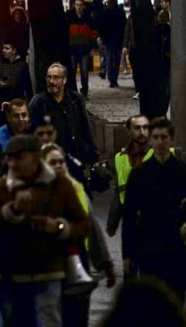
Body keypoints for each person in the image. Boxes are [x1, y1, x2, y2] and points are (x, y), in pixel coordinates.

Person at [0, 134, 89, 327]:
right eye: (9, 158)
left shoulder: (60, 185)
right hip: (9, 278)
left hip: (47, 276)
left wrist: (58, 227)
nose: (12, 163)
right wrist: (11, 211)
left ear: (35, 157)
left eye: (19, 157)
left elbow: (82, 224)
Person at [41, 144, 116, 327]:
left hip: (77, 269)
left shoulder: (77, 191)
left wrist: (104, 263)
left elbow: (93, 229)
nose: (58, 166)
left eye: (61, 162)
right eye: (53, 162)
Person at [122, 117, 186, 298]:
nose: (160, 142)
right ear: (151, 140)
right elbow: (129, 216)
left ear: (171, 139)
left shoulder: (182, 171)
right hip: (149, 246)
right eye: (156, 137)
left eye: (164, 137)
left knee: (176, 298)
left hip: (176, 246)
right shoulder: (140, 174)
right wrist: (127, 254)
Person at [29, 63, 98, 167]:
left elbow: (86, 128)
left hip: (76, 158)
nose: (52, 81)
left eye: (56, 78)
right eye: (49, 77)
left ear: (64, 80)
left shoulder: (76, 100)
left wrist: (93, 155)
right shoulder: (38, 102)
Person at [108, 114, 152, 237]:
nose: (142, 132)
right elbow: (119, 192)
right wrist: (112, 222)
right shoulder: (120, 159)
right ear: (129, 131)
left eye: (145, 127)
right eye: (137, 128)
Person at [65, 0, 96, 97]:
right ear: (74, 6)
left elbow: (93, 34)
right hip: (72, 48)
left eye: (80, 5)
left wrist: (92, 47)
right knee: (72, 71)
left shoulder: (88, 19)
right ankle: (72, 90)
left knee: (84, 71)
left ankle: (84, 91)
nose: (79, 7)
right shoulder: (69, 17)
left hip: (84, 49)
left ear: (83, 7)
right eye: (77, 5)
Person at [96, 0, 127, 89]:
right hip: (113, 40)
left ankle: (112, 79)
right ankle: (113, 79)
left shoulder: (106, 13)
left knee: (112, 60)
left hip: (112, 40)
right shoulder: (119, 13)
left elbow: (101, 27)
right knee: (112, 60)